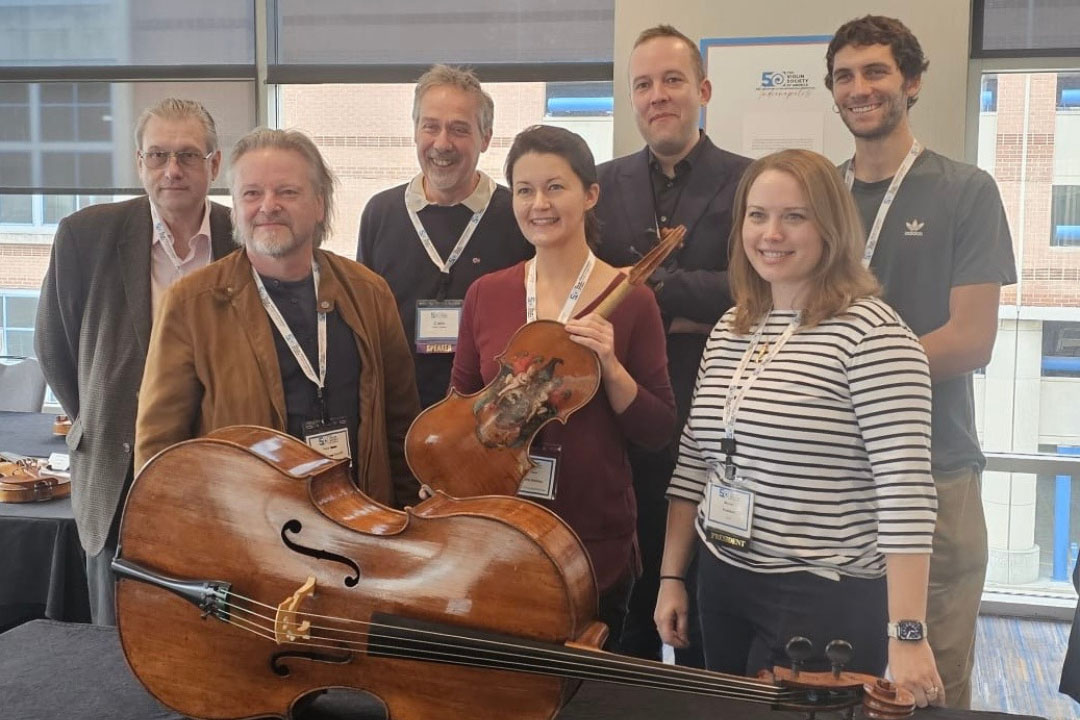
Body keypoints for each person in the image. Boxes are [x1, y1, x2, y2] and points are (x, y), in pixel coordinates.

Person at [655, 149, 943, 708]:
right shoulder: (733, 328)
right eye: (757, 215)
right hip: (724, 575)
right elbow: (695, 463)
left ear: (830, 226)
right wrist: (672, 576)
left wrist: (907, 632)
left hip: (821, 591)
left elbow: (905, 492)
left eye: (795, 216)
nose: (771, 234)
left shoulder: (874, 336)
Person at [826, 15, 1017, 708]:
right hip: (834, 481)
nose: (860, 88)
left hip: (935, 474)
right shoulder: (823, 197)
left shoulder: (965, 190)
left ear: (911, 81)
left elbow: (972, 339)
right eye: (844, 76)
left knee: (926, 682)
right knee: (841, 678)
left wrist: (847, 377)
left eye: (875, 71)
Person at [451, 125, 676, 647]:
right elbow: (460, 404)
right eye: (525, 190)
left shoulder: (630, 297)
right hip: (500, 536)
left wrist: (610, 366)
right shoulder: (487, 293)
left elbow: (658, 429)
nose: (539, 204)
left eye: (556, 187)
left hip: (593, 542)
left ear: (590, 194)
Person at [135, 128, 420, 509]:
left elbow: (400, 427)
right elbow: (160, 451)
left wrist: (403, 527)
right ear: (235, 209)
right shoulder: (190, 306)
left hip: (362, 528)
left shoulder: (369, 293)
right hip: (248, 542)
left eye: (287, 192)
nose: (268, 206)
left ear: (320, 204)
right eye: (252, 193)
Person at [34, 98, 235, 625]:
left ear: (215, 165)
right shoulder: (85, 235)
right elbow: (54, 346)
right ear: (139, 162)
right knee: (113, 640)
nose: (173, 170)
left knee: (212, 635)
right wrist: (104, 414)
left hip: (220, 475)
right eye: (159, 155)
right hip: (115, 472)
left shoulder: (246, 239)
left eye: (189, 156)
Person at [593, 23, 751, 663]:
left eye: (672, 80)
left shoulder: (749, 181)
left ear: (703, 90)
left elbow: (752, 287)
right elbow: (591, 293)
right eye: (643, 84)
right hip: (624, 415)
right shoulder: (600, 184)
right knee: (625, 610)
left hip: (718, 419)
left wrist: (653, 296)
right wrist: (695, 303)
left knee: (698, 617)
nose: (658, 95)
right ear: (631, 99)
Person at [358, 64, 532, 409]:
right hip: (399, 415)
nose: (442, 143)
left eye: (458, 129)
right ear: (415, 131)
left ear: (486, 137)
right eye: (430, 127)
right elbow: (365, 328)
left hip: (489, 418)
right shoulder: (381, 214)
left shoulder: (517, 217)